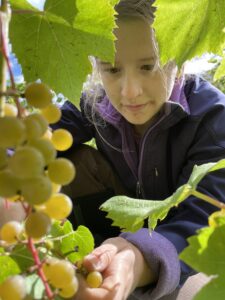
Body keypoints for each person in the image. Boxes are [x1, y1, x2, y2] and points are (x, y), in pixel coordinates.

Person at [52, 0, 225, 299]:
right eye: (112, 69)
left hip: (175, 237)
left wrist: (138, 258)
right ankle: (93, 247)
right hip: (123, 222)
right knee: (69, 158)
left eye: (149, 66)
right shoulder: (95, 101)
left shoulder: (213, 118)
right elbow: (42, 132)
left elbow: (205, 213)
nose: (129, 91)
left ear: (180, 60)